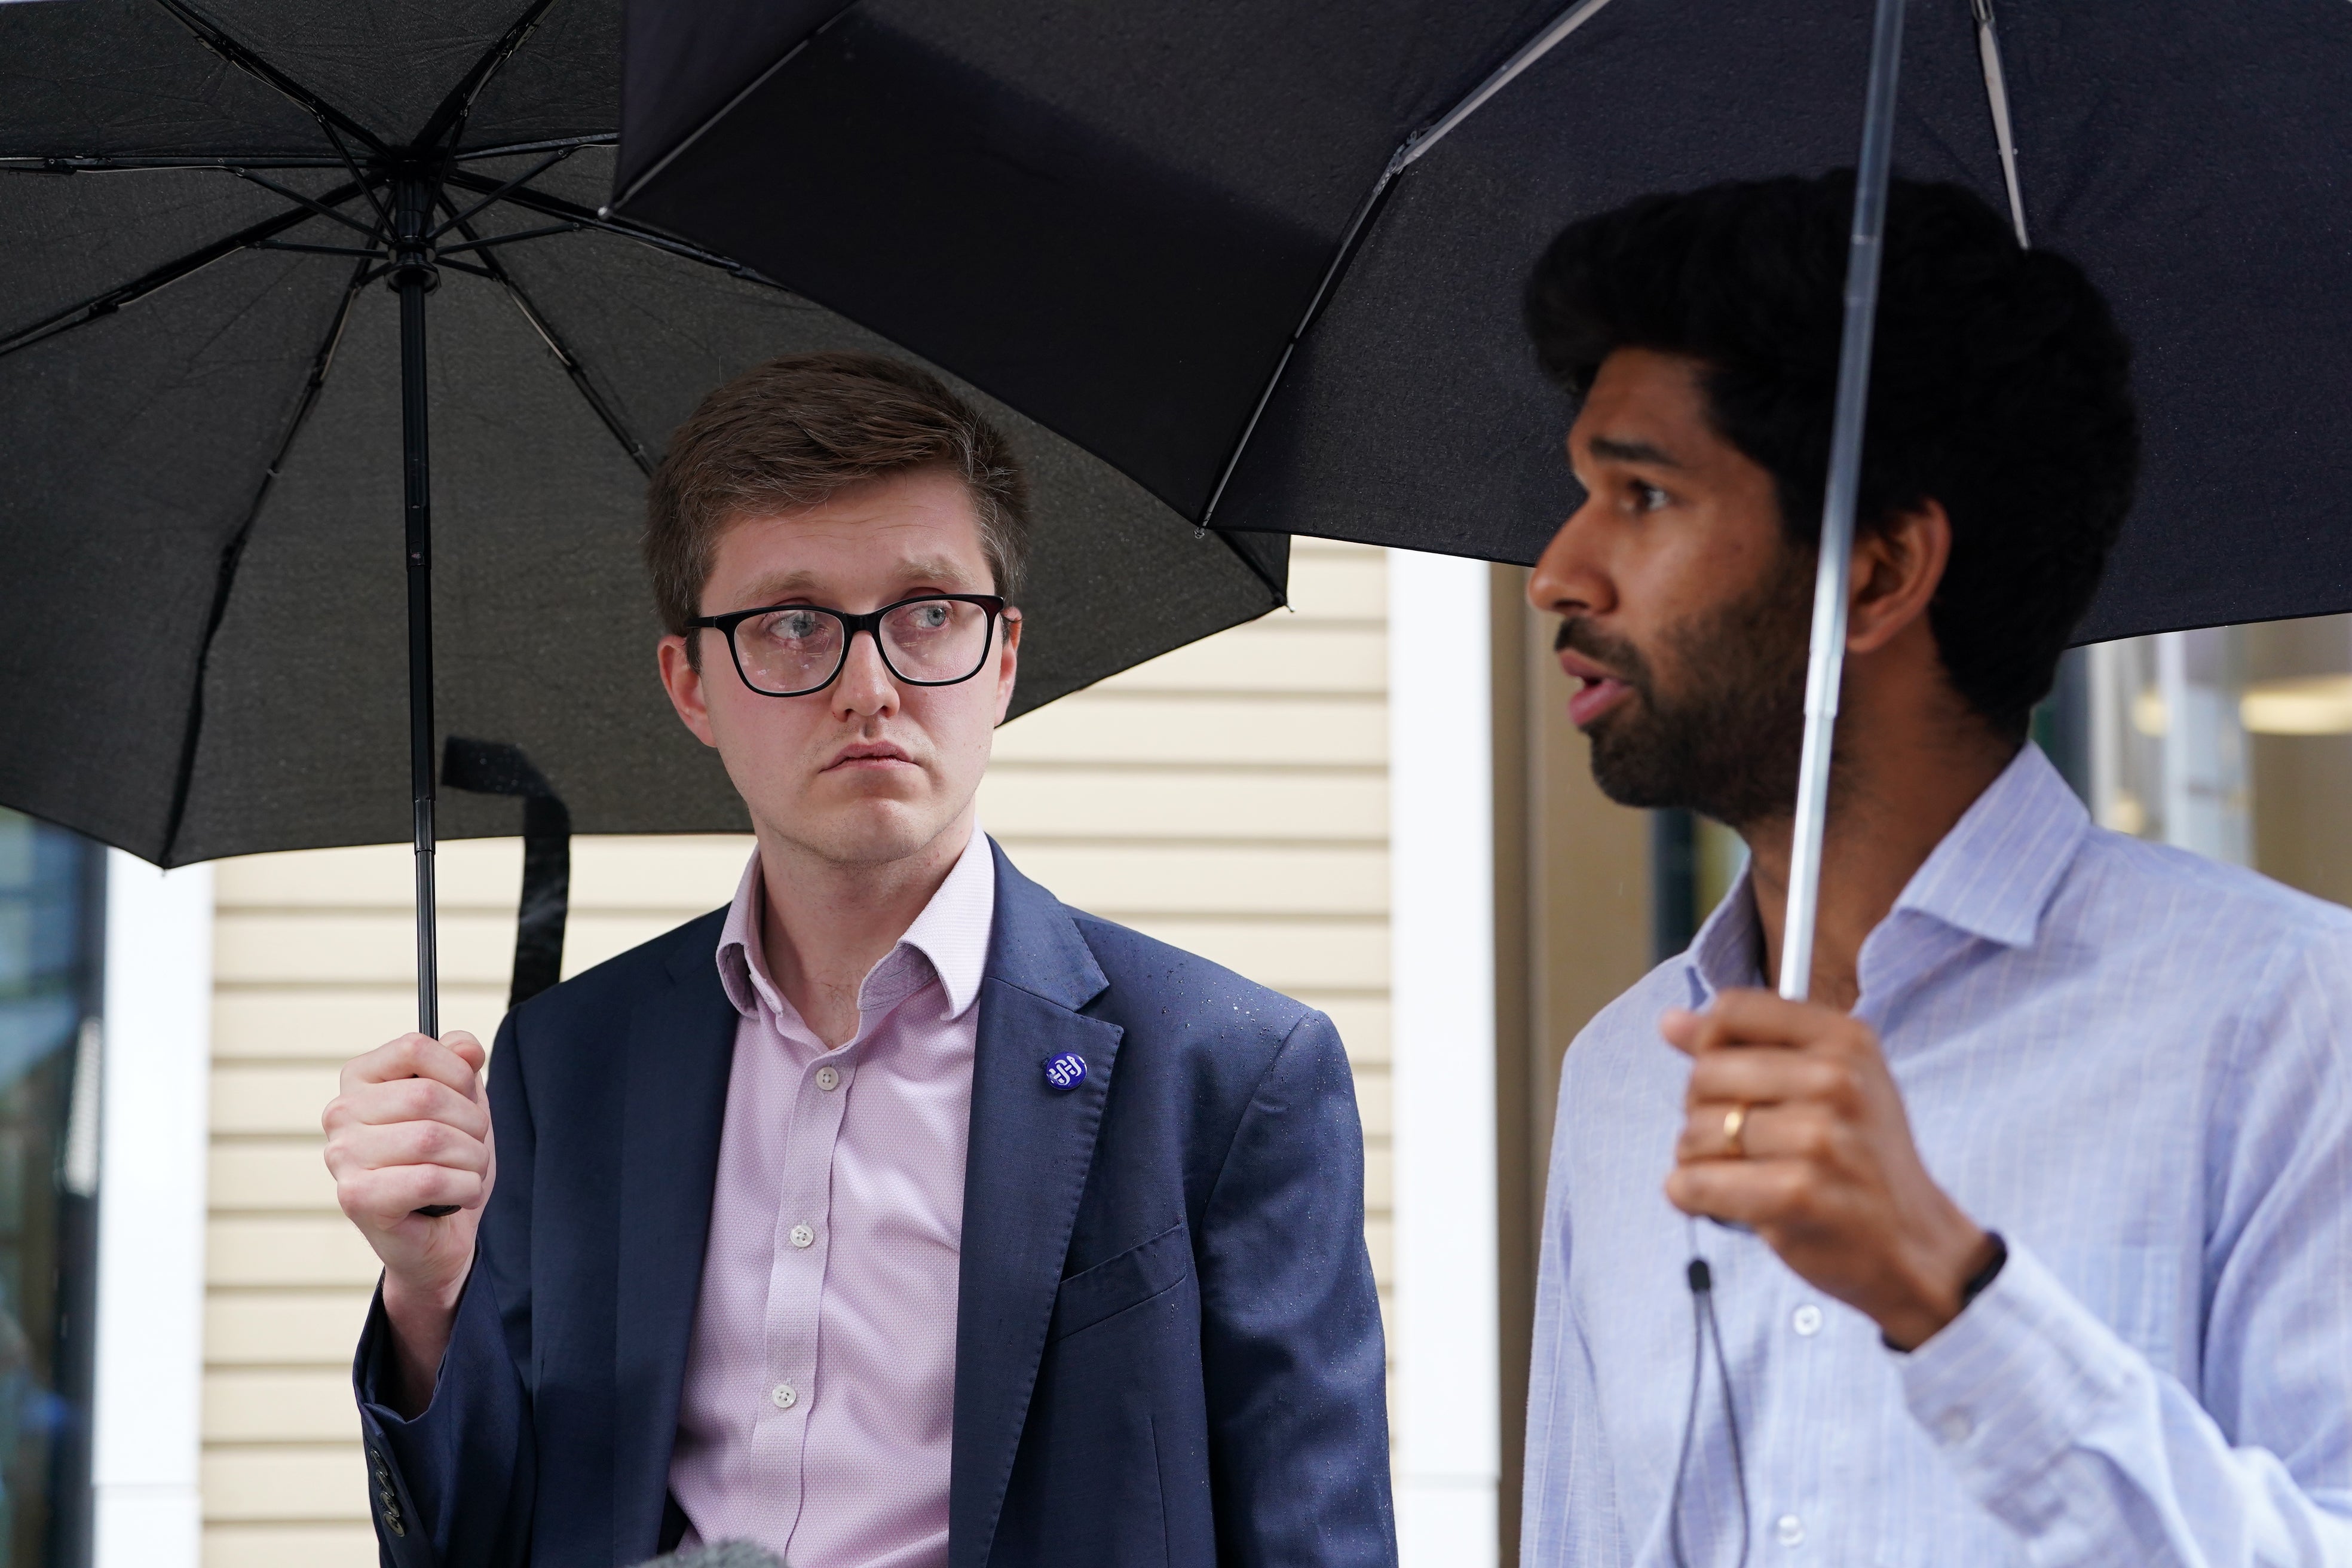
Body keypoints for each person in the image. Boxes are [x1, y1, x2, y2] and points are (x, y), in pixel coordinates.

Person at [323, 352, 1394, 1568]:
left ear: (1002, 655)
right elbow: (474, 1544)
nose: (871, 687)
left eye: (931, 612)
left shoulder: (1229, 1074)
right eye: (790, 625)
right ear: (691, 684)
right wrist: (427, 1290)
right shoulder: (569, 1063)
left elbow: (1318, 1539)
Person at [1517, 173, 2352, 1565]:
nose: (1558, 571)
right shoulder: (1625, 1075)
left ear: (1884, 569)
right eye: (1581, 494)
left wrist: (1954, 1298)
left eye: (1643, 494)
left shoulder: (2288, 1017)